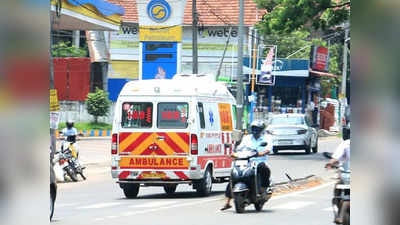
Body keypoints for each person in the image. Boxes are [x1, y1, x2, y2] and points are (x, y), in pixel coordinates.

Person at [220, 120, 272, 211]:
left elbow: (268, 149)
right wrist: (234, 153)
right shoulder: (247, 138)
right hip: (246, 160)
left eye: (258, 129)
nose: (255, 131)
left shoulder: (266, 138)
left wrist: (262, 153)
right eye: (254, 129)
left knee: (264, 169)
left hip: (259, 161)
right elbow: (240, 148)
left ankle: (264, 189)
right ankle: (227, 202)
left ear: (261, 130)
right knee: (234, 175)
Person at [325, 130, 350, 224]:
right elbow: (336, 157)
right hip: (347, 175)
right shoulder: (346, 144)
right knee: (337, 187)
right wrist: (330, 163)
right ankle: (337, 211)